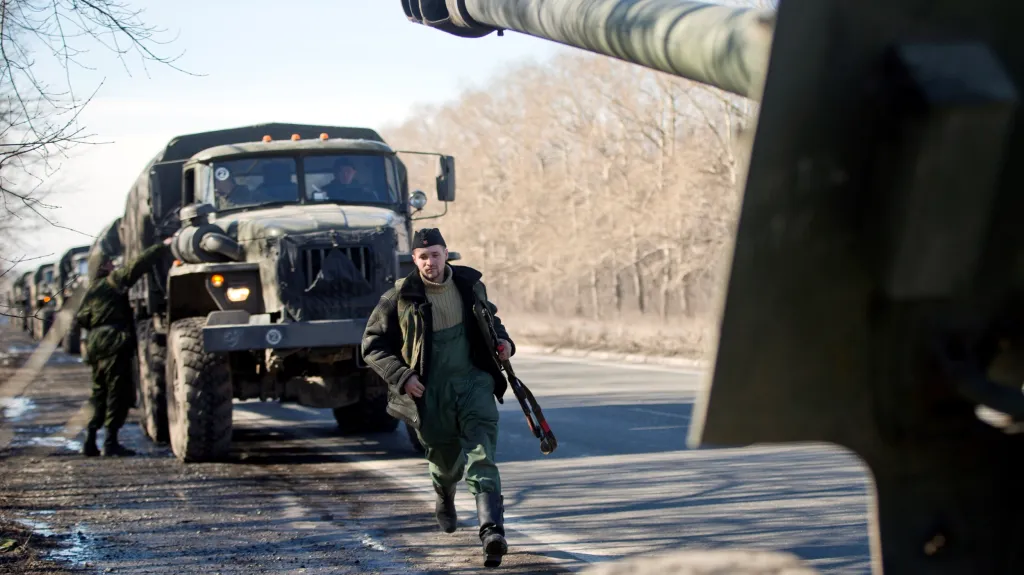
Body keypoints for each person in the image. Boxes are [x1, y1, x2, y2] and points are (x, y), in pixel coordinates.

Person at [362, 228, 515, 564]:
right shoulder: (400, 297)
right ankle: (444, 492)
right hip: (431, 392)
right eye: (423, 256)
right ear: (414, 260)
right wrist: (403, 376)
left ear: (446, 253)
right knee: (445, 462)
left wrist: (504, 344)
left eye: (435, 254)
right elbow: (372, 345)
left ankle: (492, 531)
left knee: (481, 454)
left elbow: (492, 320)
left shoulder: (469, 285)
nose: (430, 262)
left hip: (473, 382)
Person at [76, 238, 172, 456]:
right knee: (117, 392)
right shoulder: (113, 282)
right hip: (113, 342)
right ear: (103, 267)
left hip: (96, 343)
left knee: (98, 392)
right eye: (109, 262)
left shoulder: (90, 291)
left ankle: (90, 440)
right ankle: (110, 442)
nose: (113, 264)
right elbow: (137, 265)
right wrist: (162, 245)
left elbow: (81, 318)